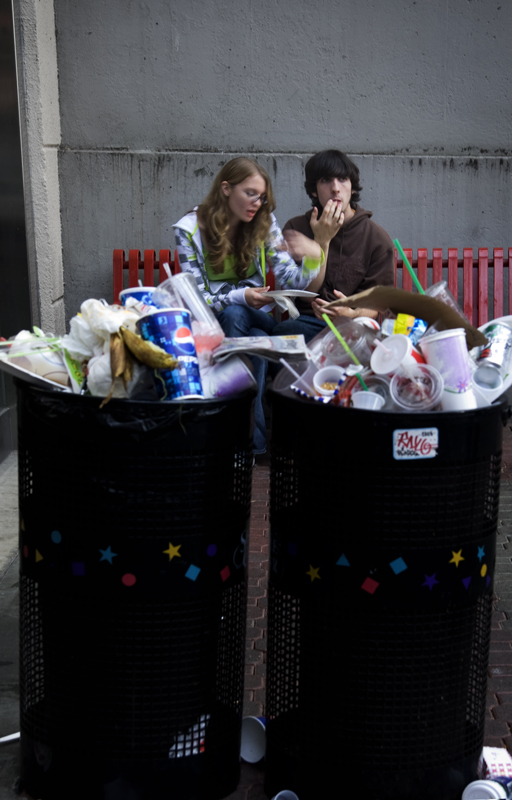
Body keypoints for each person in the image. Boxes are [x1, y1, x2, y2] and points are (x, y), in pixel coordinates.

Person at [173, 157, 324, 454]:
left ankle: (238, 446)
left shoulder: (263, 223)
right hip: (214, 325)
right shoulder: (188, 229)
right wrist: (241, 296)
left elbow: (291, 279)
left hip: (258, 317)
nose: (257, 203)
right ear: (226, 188)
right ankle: (251, 445)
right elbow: (197, 298)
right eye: (250, 193)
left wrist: (313, 256)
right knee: (246, 340)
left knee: (241, 319)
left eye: (262, 196)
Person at [272, 149, 394, 341]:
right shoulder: (297, 228)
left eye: (343, 179)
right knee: (283, 334)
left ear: (352, 187)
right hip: (308, 322)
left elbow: (377, 303)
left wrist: (350, 314)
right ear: (314, 190)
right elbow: (306, 295)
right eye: (326, 180)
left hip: (354, 326)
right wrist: (322, 241)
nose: (335, 188)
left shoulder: (376, 237)